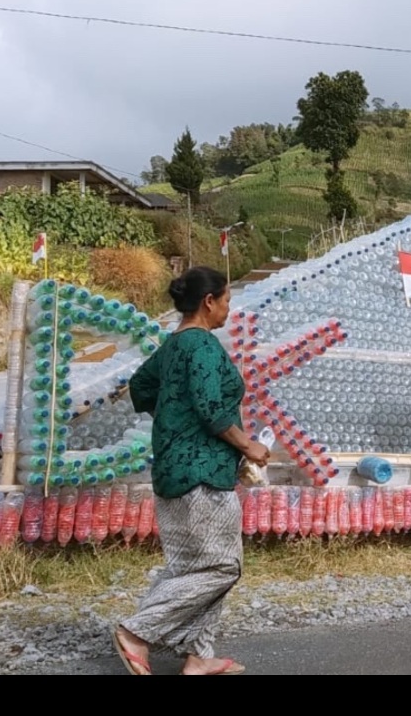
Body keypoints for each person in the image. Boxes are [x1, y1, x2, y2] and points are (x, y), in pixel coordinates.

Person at [111, 266, 270, 676]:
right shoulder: (201, 344)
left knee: (190, 567)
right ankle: (137, 633)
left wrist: (173, 416)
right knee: (222, 567)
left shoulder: (173, 346)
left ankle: (199, 657)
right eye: (228, 301)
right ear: (209, 301)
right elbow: (211, 407)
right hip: (201, 472)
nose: (229, 310)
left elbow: (141, 387)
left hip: (172, 467)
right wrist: (247, 445)